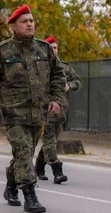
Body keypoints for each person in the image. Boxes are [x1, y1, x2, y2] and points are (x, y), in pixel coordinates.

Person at [0, 5, 66, 213]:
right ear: (14, 27)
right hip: (13, 114)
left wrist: (56, 99)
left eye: (31, 21)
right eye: (24, 21)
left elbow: (58, 76)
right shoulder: (2, 51)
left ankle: (11, 186)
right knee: (25, 151)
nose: (29, 24)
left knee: (22, 154)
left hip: (38, 113)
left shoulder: (44, 49)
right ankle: (30, 195)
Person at [35, 36, 82, 184]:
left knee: (52, 141)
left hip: (60, 111)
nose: (53, 50)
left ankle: (39, 166)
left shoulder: (65, 67)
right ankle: (57, 169)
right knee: (49, 140)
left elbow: (78, 81)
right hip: (45, 110)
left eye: (55, 48)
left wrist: (69, 85)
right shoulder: (39, 67)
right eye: (50, 47)